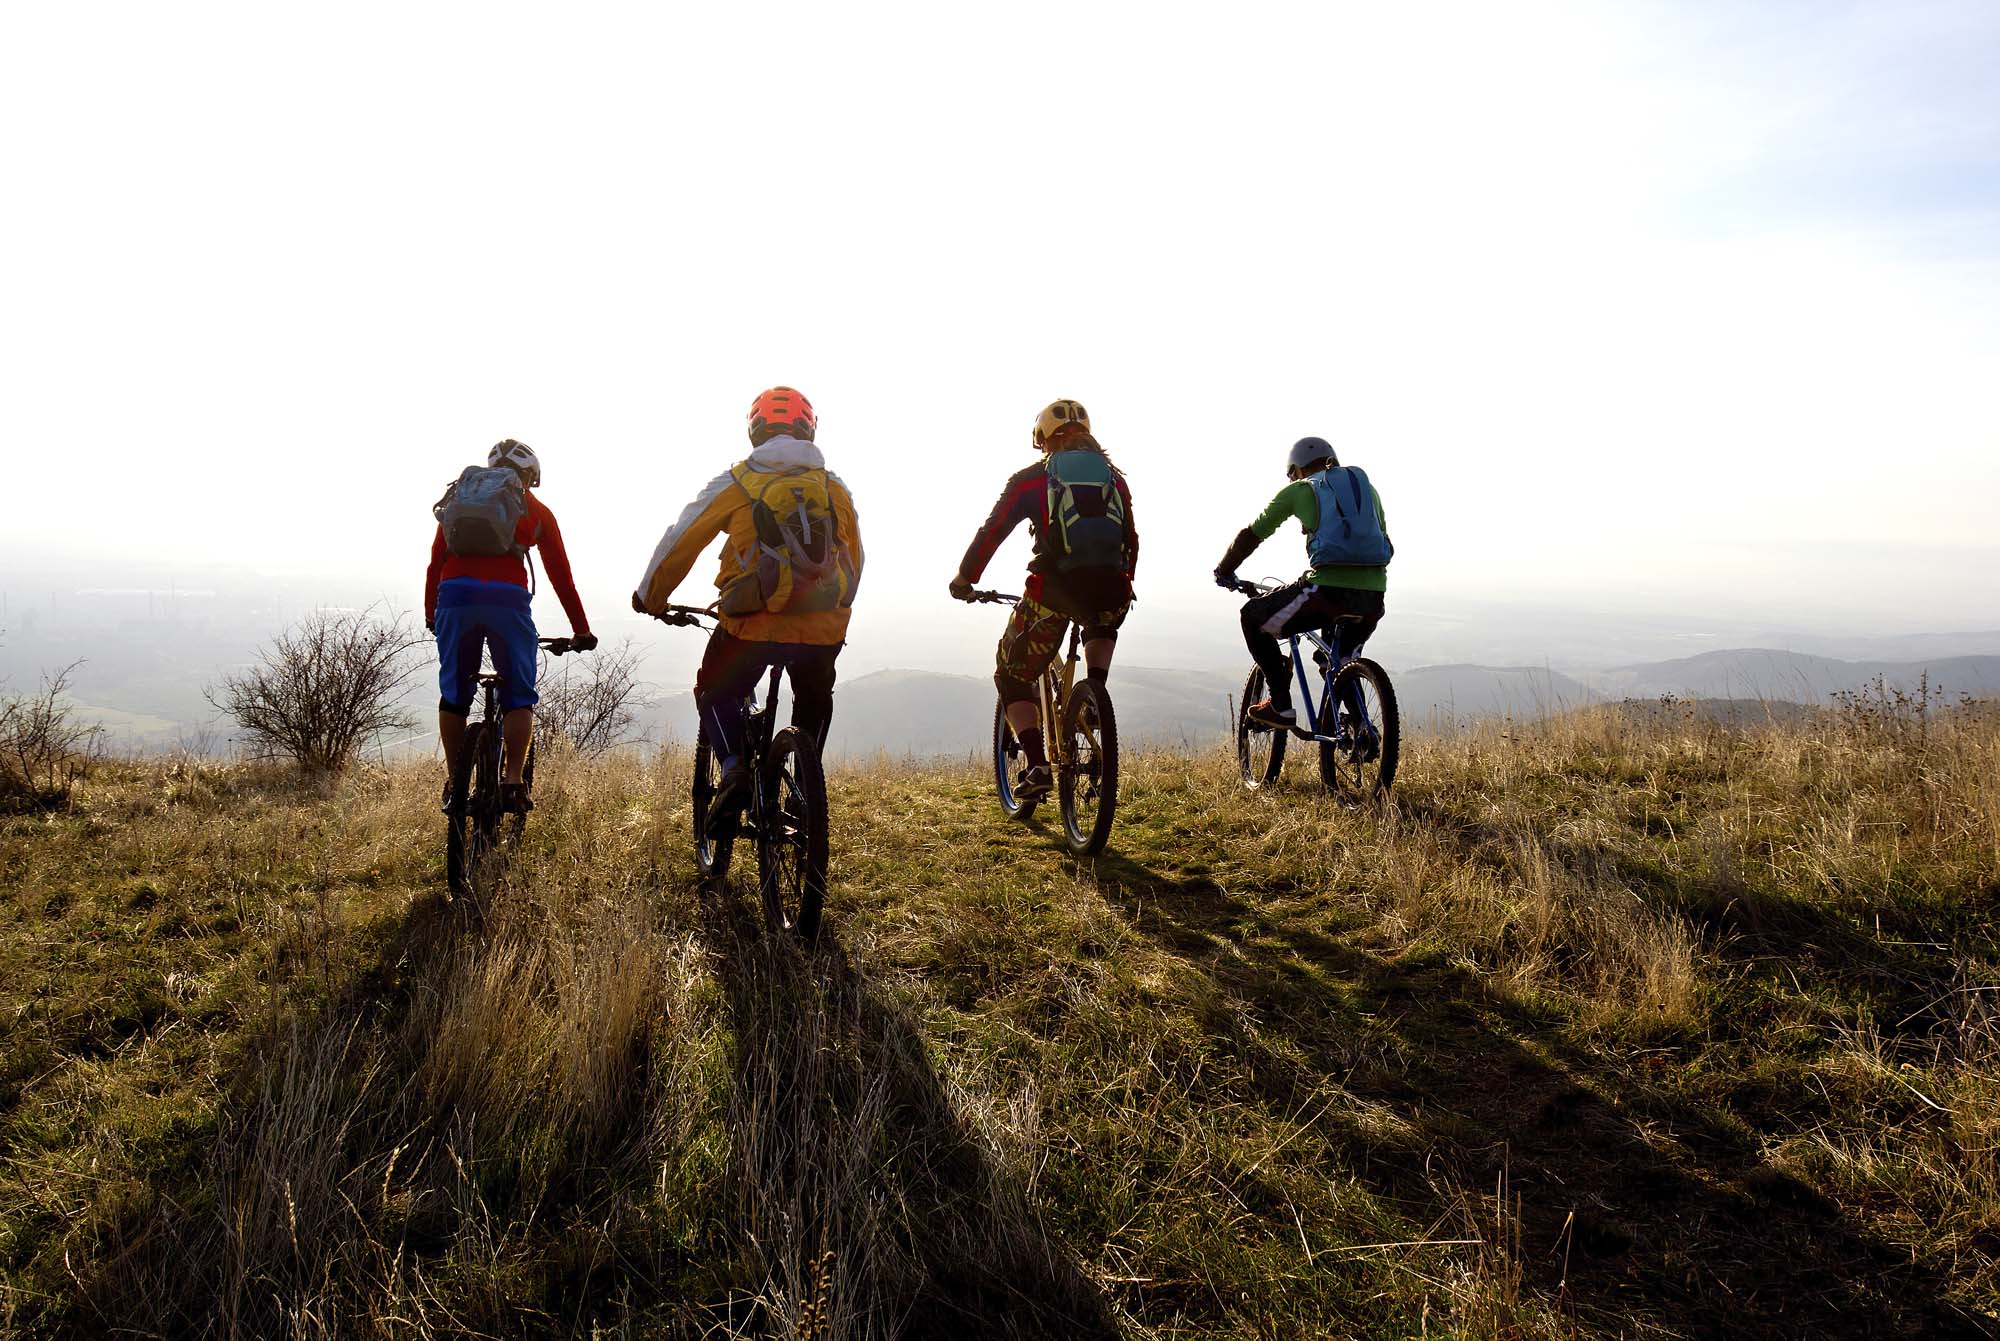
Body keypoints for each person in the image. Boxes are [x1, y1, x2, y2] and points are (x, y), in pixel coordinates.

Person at [633, 386, 863, 820]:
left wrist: (651, 596)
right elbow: (856, 557)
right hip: (821, 627)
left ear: (755, 430)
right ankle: (802, 787)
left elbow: (681, 540)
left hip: (751, 626)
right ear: (808, 429)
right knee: (815, 697)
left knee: (713, 689)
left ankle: (736, 768)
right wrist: (836, 608)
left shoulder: (738, 482)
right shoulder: (833, 486)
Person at [950, 399, 1138, 800]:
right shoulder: (1114, 479)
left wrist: (965, 579)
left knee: (1011, 673)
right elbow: (1131, 541)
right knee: (1101, 620)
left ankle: (1036, 764)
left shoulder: (1033, 479)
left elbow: (992, 532)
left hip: (1053, 593)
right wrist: (1124, 584)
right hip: (1112, 592)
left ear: (1042, 439)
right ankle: (1094, 695)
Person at [425, 438, 596, 813]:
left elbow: (436, 562)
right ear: (530, 476)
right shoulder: (535, 510)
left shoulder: (459, 502)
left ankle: (456, 782)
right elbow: (560, 577)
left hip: (454, 599)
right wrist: (581, 630)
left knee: (454, 696)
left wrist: (430, 614)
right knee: (519, 695)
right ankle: (513, 782)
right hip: (507, 602)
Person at [1213, 436, 1391, 730]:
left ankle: (1280, 706)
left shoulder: (1300, 489)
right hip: (1373, 596)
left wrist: (1225, 570)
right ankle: (1361, 729)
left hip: (1326, 591)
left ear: (1296, 468)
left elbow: (1254, 533)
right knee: (1338, 659)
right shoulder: (1367, 491)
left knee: (1252, 617)